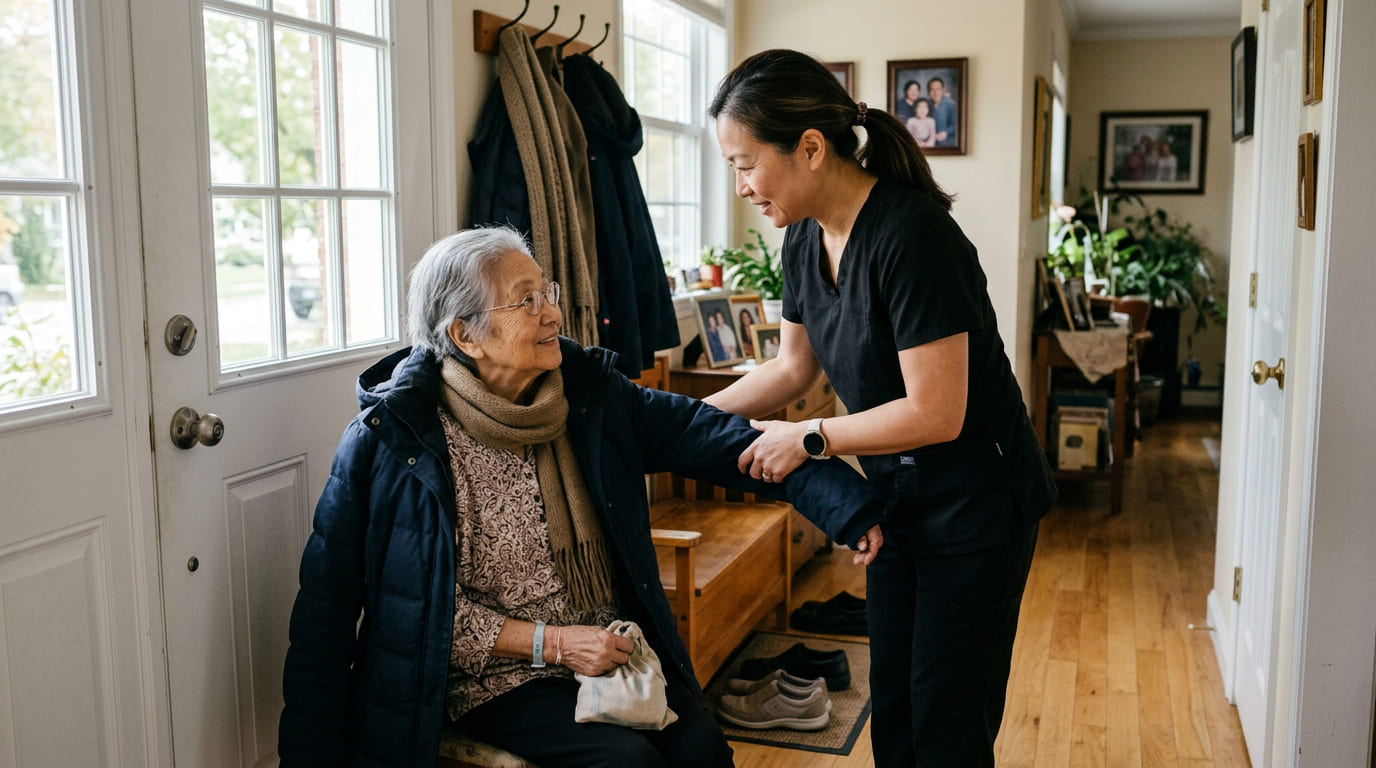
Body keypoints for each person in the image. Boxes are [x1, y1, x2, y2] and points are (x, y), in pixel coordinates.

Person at [277, 226, 885, 768]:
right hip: (486, 678)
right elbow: (341, 611)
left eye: (549, 293)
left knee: (702, 749)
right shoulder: (392, 440)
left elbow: (710, 435)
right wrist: (556, 644)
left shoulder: (590, 396)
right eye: (526, 300)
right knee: (625, 763)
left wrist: (844, 505)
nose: (552, 316)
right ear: (466, 334)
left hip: (605, 649)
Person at [706, 49, 1057, 767]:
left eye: (745, 164)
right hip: (897, 499)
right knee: (893, 708)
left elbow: (938, 412)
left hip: (978, 504)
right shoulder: (803, 237)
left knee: (945, 726)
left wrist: (808, 439)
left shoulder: (913, 237)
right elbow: (791, 368)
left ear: (809, 148)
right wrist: (677, 417)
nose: (741, 185)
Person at [927, 76, 958, 147]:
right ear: (928, 91)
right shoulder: (926, 104)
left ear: (943, 90)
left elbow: (956, 125)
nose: (935, 93)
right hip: (930, 143)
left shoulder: (951, 104)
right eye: (932, 89)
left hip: (947, 142)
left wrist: (946, 132)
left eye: (938, 89)